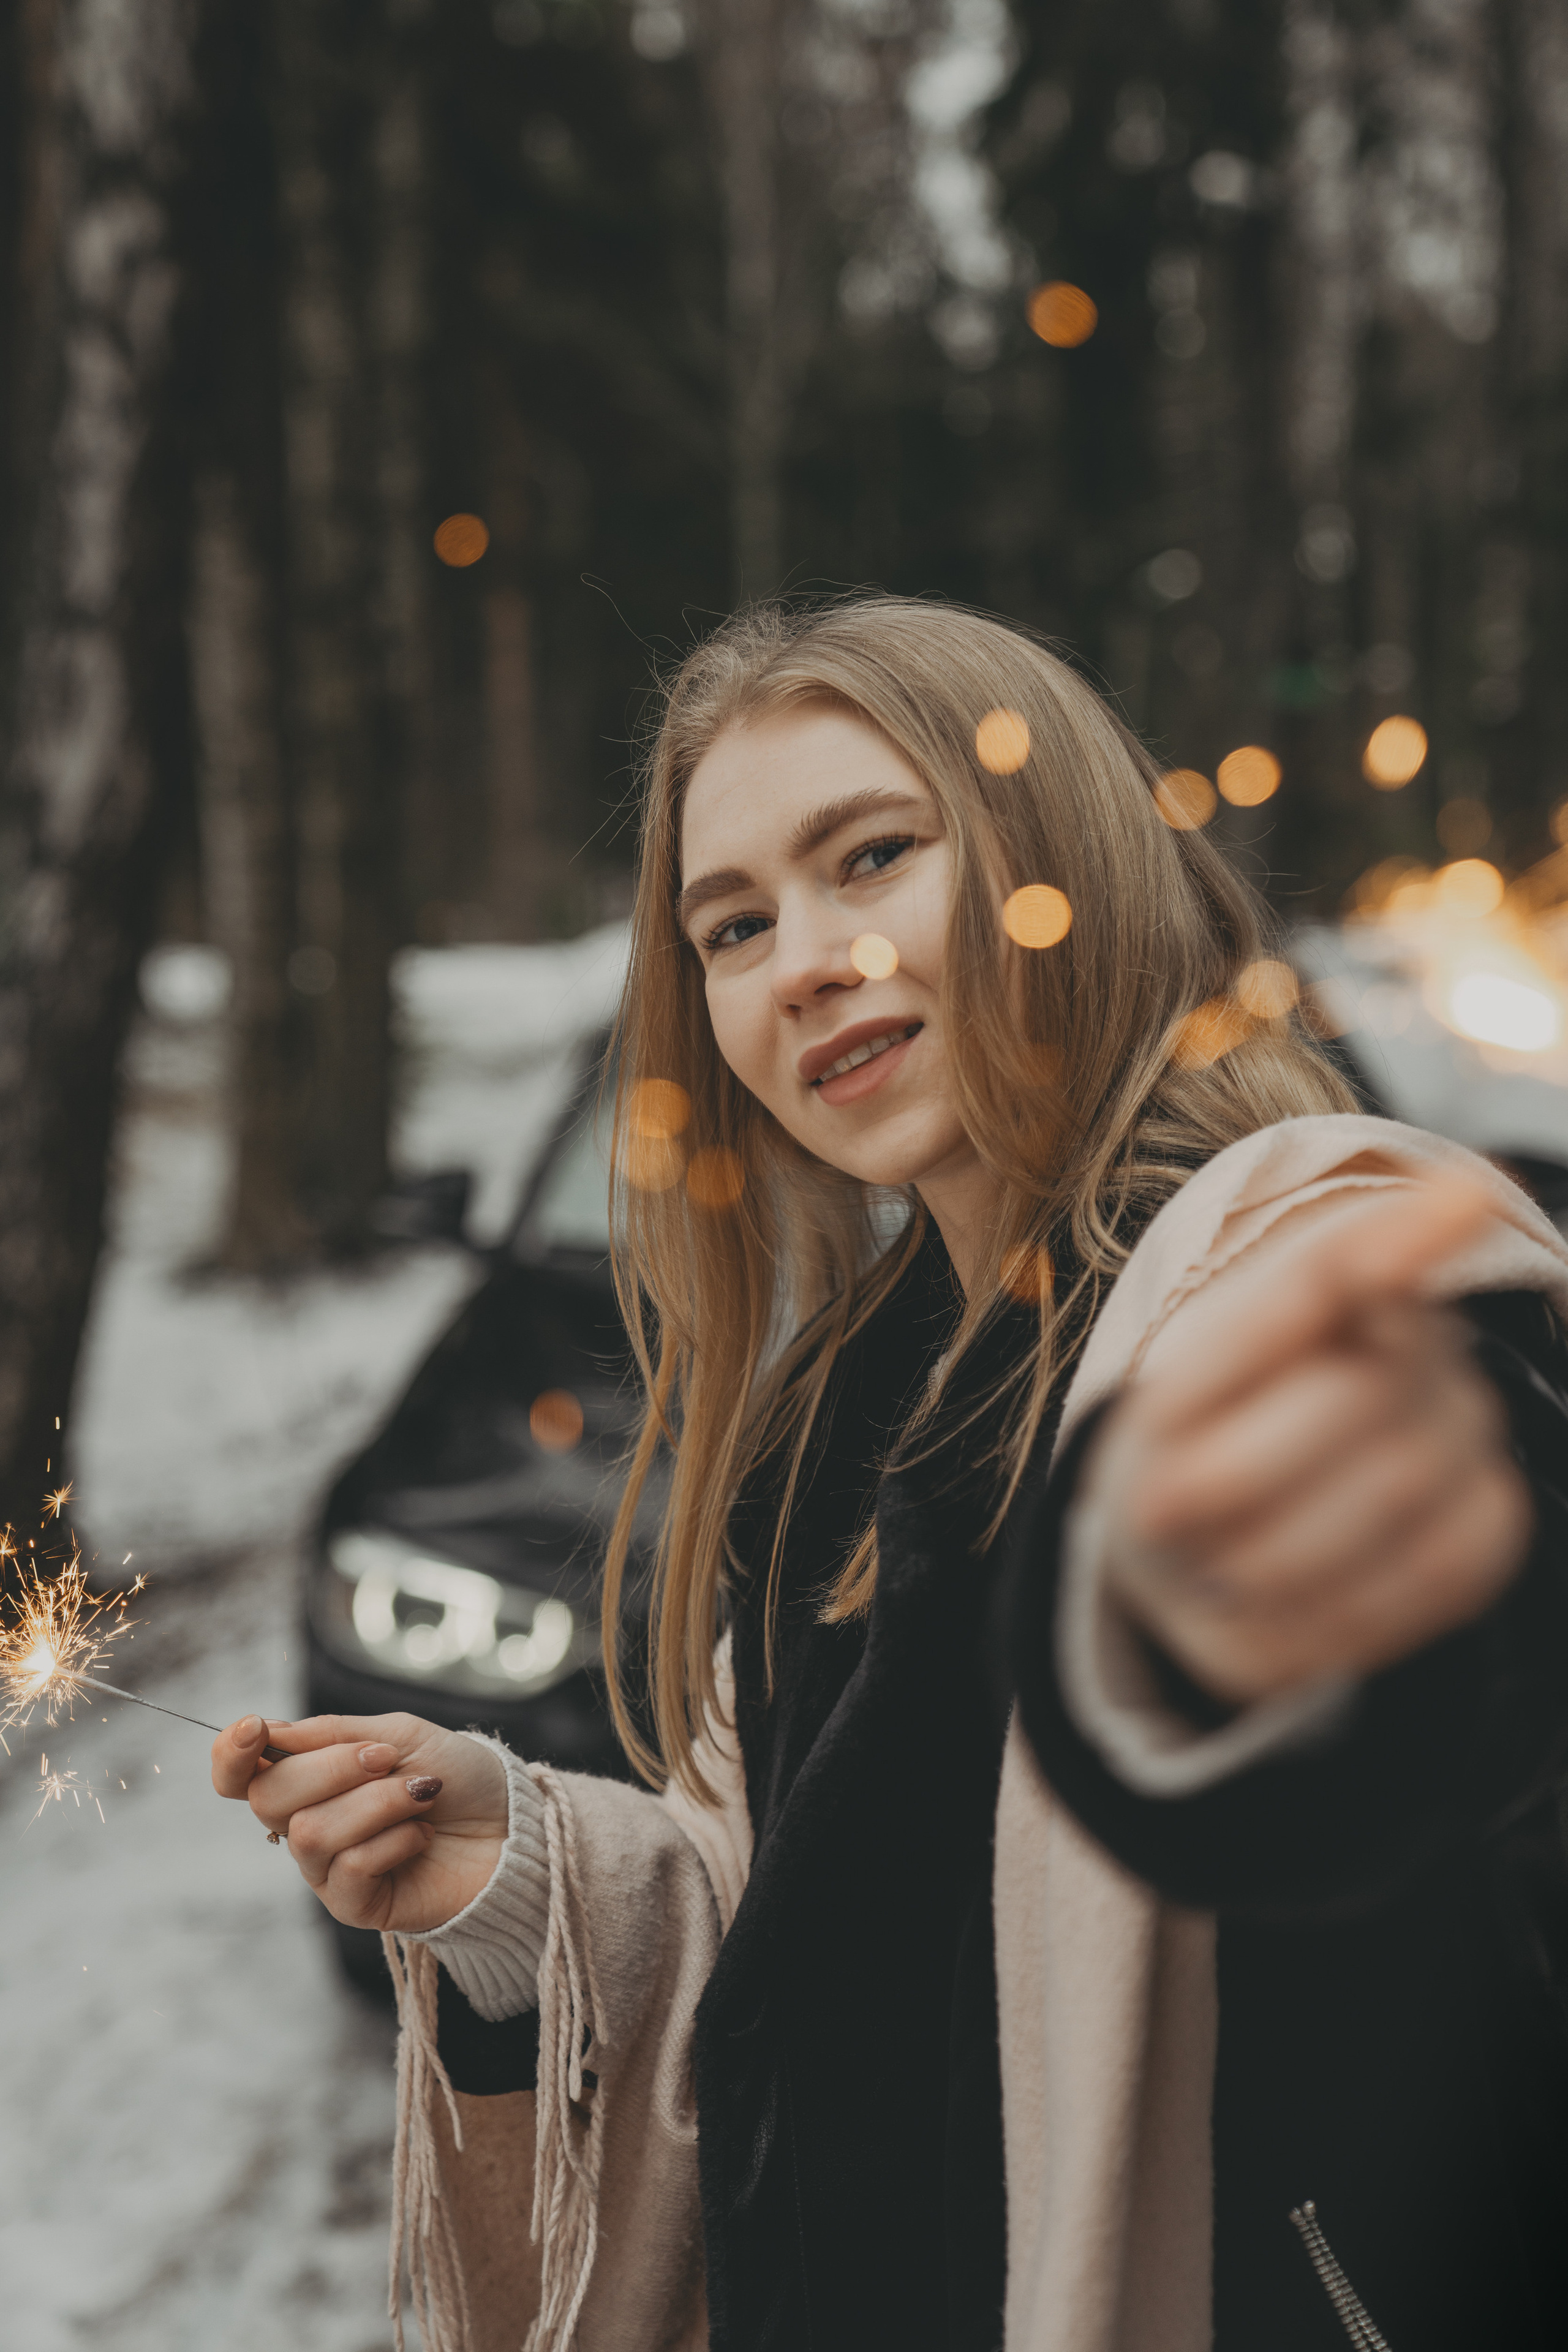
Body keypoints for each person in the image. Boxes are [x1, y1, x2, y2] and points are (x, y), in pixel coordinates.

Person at [213, 598, 1568, 2352]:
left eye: (872, 857)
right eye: (735, 926)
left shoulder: (1341, 1340)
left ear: (1054, 848)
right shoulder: (829, 1435)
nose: (805, 964)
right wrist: (526, 1874)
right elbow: (847, 1965)